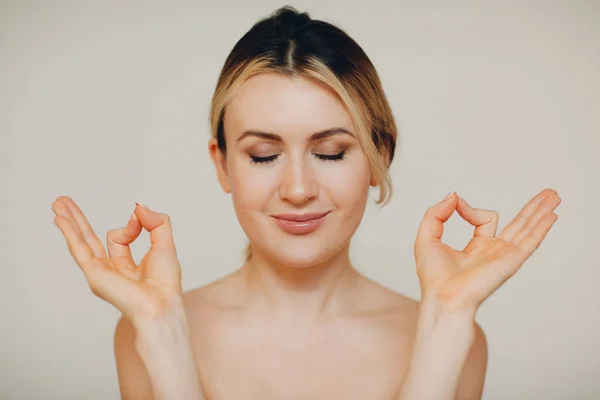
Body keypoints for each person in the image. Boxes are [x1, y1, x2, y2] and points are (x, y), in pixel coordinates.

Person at [51, 6, 561, 400]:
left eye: (330, 152)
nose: (298, 189)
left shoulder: (456, 337)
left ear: (379, 157)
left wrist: (448, 321)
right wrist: (163, 335)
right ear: (223, 164)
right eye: (264, 155)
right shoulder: (147, 327)